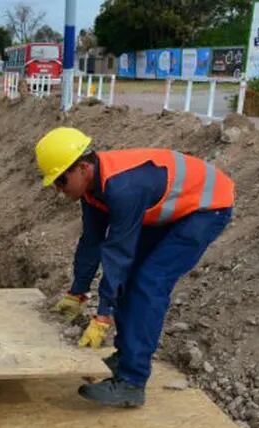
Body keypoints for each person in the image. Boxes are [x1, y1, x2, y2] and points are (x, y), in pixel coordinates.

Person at [37, 127, 234, 408]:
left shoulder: (123, 188)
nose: (59, 189)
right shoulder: (93, 190)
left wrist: (103, 315)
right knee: (131, 277)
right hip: (172, 209)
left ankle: (132, 382)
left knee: (149, 282)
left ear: (82, 168)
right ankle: (126, 355)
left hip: (205, 208)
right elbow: (92, 242)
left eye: (60, 180)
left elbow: (118, 252)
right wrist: (77, 292)